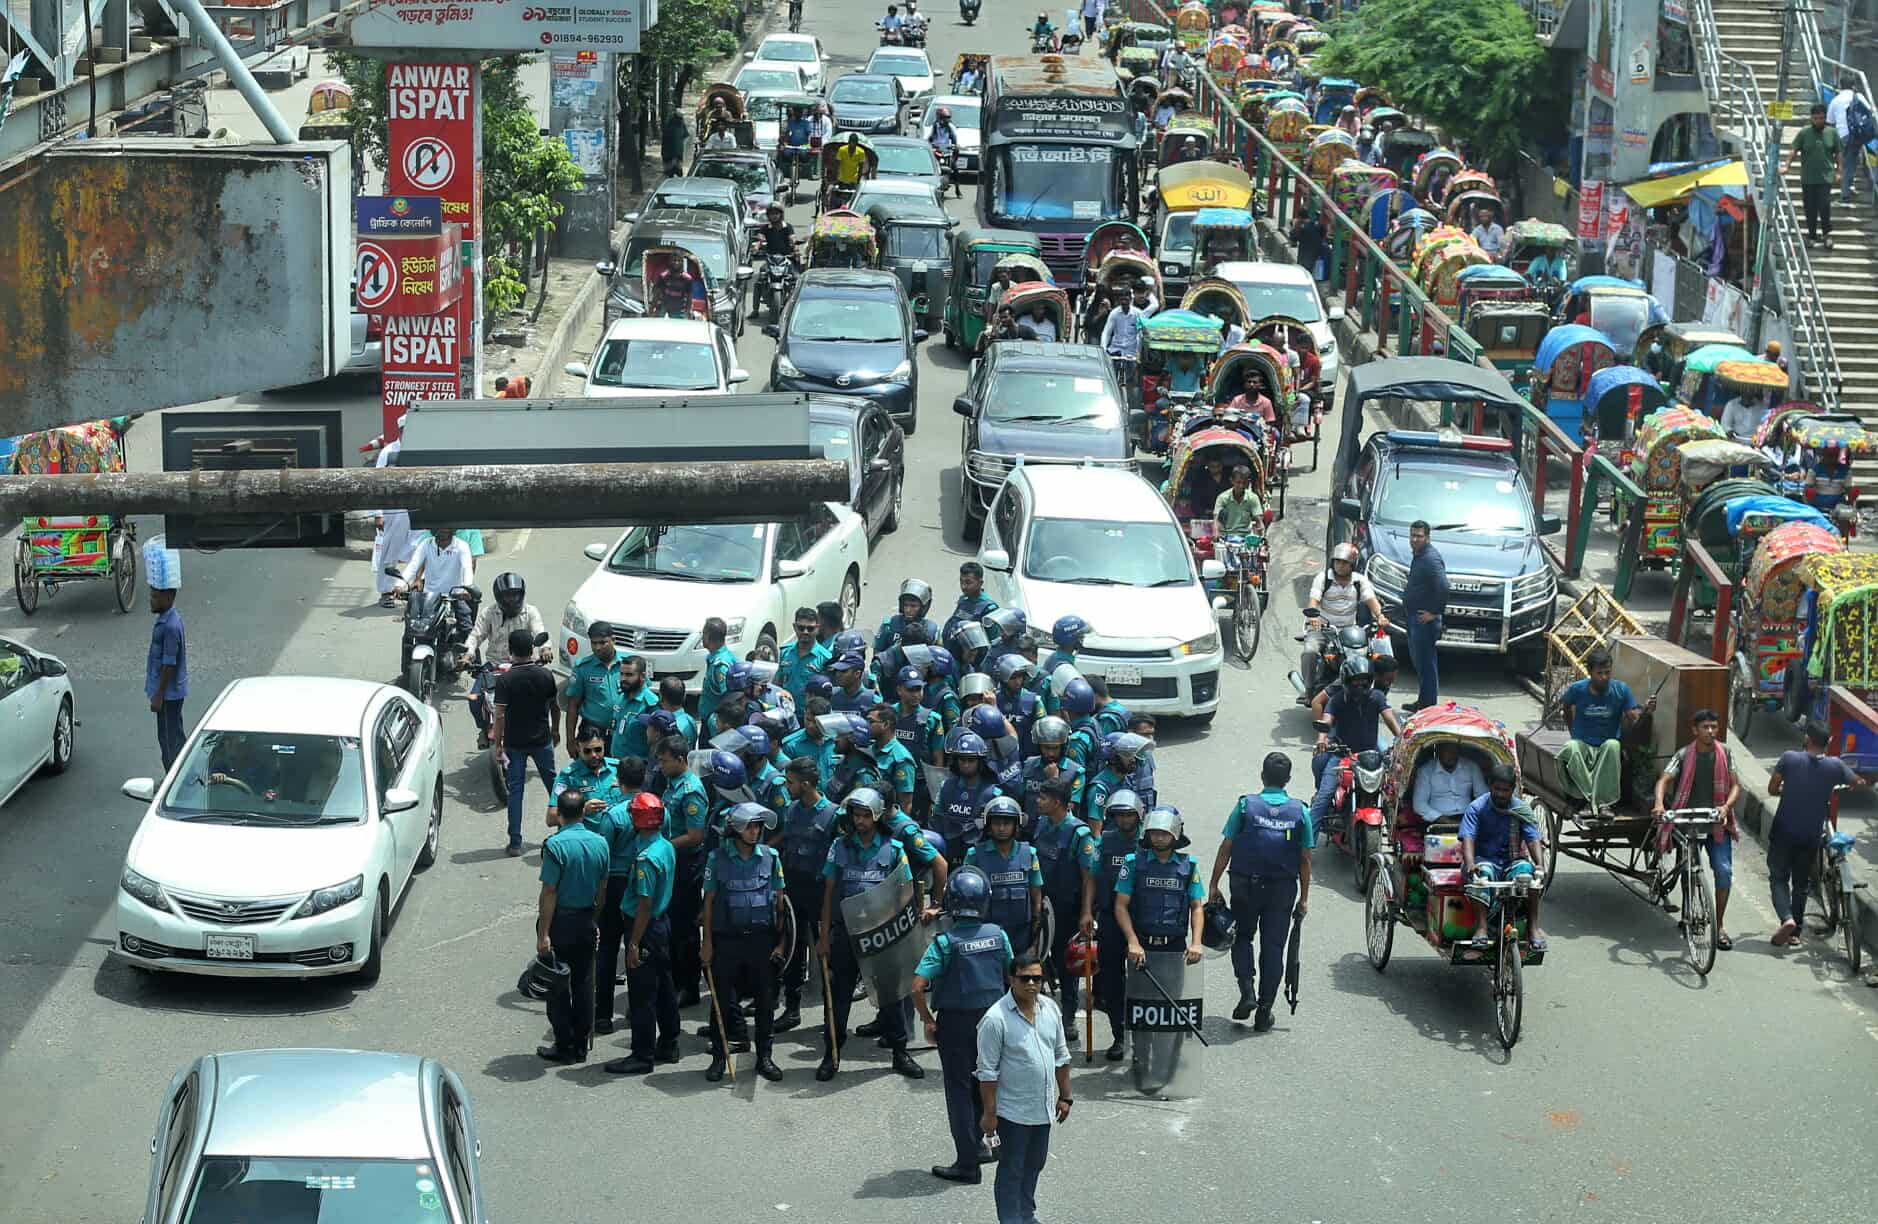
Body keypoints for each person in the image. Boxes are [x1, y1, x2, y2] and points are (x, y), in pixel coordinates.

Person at [816, 787, 927, 1081]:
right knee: (838, 996)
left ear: (877, 816)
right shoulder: (839, 847)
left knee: (890, 996)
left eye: (866, 815)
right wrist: (824, 936)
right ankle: (831, 1054)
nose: (860, 821)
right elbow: (828, 892)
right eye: (856, 815)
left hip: (882, 936)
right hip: (846, 934)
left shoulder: (894, 849)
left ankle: (899, 1052)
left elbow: (905, 894)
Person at [914, 866, 1014, 1185]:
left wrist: (928, 1020)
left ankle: (967, 1164)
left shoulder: (945, 943)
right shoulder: (998, 935)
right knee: (989, 1083)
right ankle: (991, 1145)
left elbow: (917, 986)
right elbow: (1013, 975)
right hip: (994, 1021)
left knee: (959, 1092)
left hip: (956, 1025)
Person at [1208, 752, 1311, 1031]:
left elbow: (1226, 847)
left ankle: (1247, 992)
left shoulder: (1245, 806)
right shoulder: (1300, 811)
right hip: (1282, 889)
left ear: (1262, 776)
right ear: (1288, 779)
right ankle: (1264, 1010)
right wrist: (1303, 899)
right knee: (1274, 947)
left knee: (1242, 937)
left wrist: (1214, 884)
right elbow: (1305, 859)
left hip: (1245, 885)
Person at [975, 953, 1072, 1224]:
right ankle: (1010, 1219)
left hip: (1042, 1110)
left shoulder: (1050, 1009)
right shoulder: (995, 1019)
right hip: (1011, 1114)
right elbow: (987, 1073)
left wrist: (1066, 1096)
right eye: (1025, 978)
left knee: (1034, 1165)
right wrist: (989, 1115)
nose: (1031, 983)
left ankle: (1026, 1215)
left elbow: (1061, 1055)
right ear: (1011, 979)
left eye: (1037, 978)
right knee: (1012, 1170)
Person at [700, 803, 787, 1082]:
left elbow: (780, 903)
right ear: (736, 829)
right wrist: (707, 943)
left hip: (761, 941)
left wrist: (781, 944)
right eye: (750, 826)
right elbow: (709, 902)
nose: (756, 831)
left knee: (765, 1002)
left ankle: (765, 1057)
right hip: (727, 942)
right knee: (722, 1000)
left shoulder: (771, 858)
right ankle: (719, 1057)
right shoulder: (717, 859)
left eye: (759, 826)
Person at [1767, 720, 1872, 946]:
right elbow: (1857, 781)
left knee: (1778, 877)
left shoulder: (1789, 759)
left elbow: (1772, 788)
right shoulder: (1835, 766)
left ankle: (1786, 918)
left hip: (1783, 831)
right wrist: (1856, 783)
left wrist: (1787, 789)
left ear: (1807, 738)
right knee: (1801, 883)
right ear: (1828, 741)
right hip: (1811, 835)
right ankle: (1795, 932)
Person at [604, 793, 683, 1075]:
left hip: (644, 927)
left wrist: (634, 943)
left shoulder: (646, 860)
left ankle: (642, 1054)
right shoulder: (665, 846)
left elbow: (644, 903)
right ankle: (669, 1042)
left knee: (642, 995)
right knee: (664, 987)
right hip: (660, 925)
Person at [1650, 708, 1741, 950]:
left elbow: (1735, 786)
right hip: (1688, 824)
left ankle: (1719, 926)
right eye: (1705, 727)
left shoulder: (1726, 753)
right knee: (1688, 871)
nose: (1710, 731)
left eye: (1714, 727)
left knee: (1724, 871)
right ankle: (1687, 914)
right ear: (1695, 730)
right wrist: (1659, 803)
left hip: (1716, 823)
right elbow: (1664, 780)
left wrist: (1726, 807)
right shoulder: (1683, 755)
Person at [534, 789, 610, 1063]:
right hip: (586, 919)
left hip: (561, 923)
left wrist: (543, 934)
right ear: (582, 813)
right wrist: (594, 919)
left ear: (561, 815)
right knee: (584, 983)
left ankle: (563, 1044)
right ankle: (581, 1045)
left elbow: (550, 891)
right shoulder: (601, 843)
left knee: (557, 986)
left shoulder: (555, 846)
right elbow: (602, 889)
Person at [771, 757, 837, 1031]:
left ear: (806, 784)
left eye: (791, 782)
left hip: (820, 892)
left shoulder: (832, 815)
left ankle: (832, 1014)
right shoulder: (792, 809)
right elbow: (786, 841)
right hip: (794, 888)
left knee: (826, 954)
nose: (787, 787)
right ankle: (792, 1008)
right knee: (793, 951)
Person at [1551, 647, 1654, 813]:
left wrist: (1646, 710)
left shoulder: (1621, 690)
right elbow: (1566, 708)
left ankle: (1603, 803)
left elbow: (1634, 717)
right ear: (1590, 672)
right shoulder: (1577, 689)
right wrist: (1573, 731)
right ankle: (1590, 798)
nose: (1604, 677)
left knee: (1613, 745)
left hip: (1607, 747)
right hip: (1583, 744)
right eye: (1599, 673)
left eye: (1607, 672)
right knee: (1571, 747)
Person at [1310, 655, 1402, 834]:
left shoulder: (1377, 697)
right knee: (1324, 797)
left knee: (1394, 793)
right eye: (1356, 680)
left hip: (1370, 757)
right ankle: (1308, 844)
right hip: (1342, 757)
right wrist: (1322, 739)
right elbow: (1326, 721)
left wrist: (1402, 739)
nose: (1360, 685)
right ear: (1346, 680)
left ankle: (1399, 839)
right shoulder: (1337, 700)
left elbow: (1390, 719)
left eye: (1364, 680)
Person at [1459, 765, 1546, 947]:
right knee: (1482, 872)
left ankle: (1533, 926)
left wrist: (1539, 864)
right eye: (1497, 789)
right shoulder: (1477, 808)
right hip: (1484, 860)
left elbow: (1532, 839)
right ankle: (1481, 927)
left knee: (1529, 875)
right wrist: (1470, 863)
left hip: (1511, 861)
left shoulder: (1521, 809)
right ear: (1490, 786)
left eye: (1505, 790)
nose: (1500, 794)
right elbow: (1468, 838)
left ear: (1512, 790)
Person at [492, 629, 561, 857]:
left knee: (515, 791)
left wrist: (498, 744)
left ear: (510, 650)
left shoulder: (505, 680)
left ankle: (515, 843)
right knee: (554, 785)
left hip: (514, 744)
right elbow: (554, 707)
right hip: (542, 740)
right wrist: (555, 730)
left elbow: (499, 715)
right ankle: (566, 828)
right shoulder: (545, 675)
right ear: (532, 649)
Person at [591, 757, 647, 1035]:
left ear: (619, 781)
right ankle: (638, 1010)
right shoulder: (656, 809)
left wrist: (598, 898)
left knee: (608, 948)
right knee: (637, 947)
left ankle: (602, 1015)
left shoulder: (613, 816)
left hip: (615, 883)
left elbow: (603, 857)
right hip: (643, 883)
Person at [653, 734, 710, 1006]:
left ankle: (688, 986)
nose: (660, 765)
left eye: (664, 761)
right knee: (671, 925)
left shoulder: (691, 791)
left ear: (680, 759)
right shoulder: (672, 783)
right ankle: (674, 980)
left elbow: (695, 836)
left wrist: (663, 846)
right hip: (673, 862)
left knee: (684, 928)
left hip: (686, 866)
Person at [464, 572, 549, 748]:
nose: (511, 600)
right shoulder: (489, 613)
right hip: (494, 665)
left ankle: (542, 727)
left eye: (515, 595)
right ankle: (483, 728)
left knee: (543, 695)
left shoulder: (530, 612)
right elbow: (475, 636)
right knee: (474, 698)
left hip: (524, 664)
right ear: (498, 597)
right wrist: (467, 655)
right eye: (507, 596)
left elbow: (539, 632)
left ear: (521, 594)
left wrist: (545, 649)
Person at [1086, 790, 1141, 1059]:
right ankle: (1119, 1035)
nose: (1123, 820)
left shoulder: (1150, 840)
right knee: (1111, 980)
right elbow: (1092, 877)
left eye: (1128, 815)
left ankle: (1143, 1036)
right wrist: (1087, 911)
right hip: (1109, 917)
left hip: (1141, 921)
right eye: (1118, 815)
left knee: (1143, 981)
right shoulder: (1104, 842)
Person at [144, 542, 188, 770]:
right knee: (172, 736)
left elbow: (169, 664)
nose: (151, 599)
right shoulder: (168, 620)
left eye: (155, 596)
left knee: (170, 742)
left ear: (168, 597)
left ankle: (173, 779)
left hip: (168, 695)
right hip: (168, 693)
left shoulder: (170, 627)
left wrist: (159, 696)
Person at [395, 525, 474, 644]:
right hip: (429, 598)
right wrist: (400, 585)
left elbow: (466, 568)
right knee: (410, 632)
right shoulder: (426, 544)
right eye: (440, 527)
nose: (443, 530)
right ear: (434, 530)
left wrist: (467, 588)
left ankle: (473, 655)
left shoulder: (461, 546)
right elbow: (413, 565)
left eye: (446, 528)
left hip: (454, 596)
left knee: (467, 630)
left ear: (452, 530)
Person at [1401, 520, 1447, 713]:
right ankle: (1423, 701)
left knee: (1426, 664)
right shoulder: (1419, 555)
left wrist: (1434, 612)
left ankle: (1428, 706)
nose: (1415, 539)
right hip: (1414, 618)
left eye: (1419, 536)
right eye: (1412, 535)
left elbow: (1443, 586)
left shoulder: (1430, 558)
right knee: (1420, 663)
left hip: (1423, 621)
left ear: (1427, 538)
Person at [1785, 103, 1842, 249]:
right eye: (1816, 118)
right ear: (1811, 118)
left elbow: (1838, 153)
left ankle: (1827, 234)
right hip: (1808, 178)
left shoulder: (1832, 133)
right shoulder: (1804, 133)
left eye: (1821, 118)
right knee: (1810, 207)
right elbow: (1793, 150)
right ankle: (1811, 236)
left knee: (1824, 205)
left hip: (1826, 177)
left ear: (1825, 118)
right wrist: (1787, 165)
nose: (1819, 121)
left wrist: (1839, 172)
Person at [565, 622, 623, 752]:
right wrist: (570, 740)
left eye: (602, 643)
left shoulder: (628, 665)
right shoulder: (583, 668)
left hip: (622, 733)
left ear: (613, 640)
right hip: (593, 732)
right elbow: (573, 705)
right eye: (594, 643)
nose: (597, 648)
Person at [1410, 741, 1487, 827]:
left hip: (1468, 816)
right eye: (1447, 751)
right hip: (1438, 819)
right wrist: (1446, 821)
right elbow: (1419, 804)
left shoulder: (1471, 766)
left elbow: (1483, 796)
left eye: (1455, 750)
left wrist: (1474, 816)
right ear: (1438, 751)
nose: (1452, 755)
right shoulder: (1425, 771)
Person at [1826, 79, 1876, 201]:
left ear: (1841, 86)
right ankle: (1846, 193)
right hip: (1857, 134)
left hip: (1842, 135)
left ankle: (1846, 191)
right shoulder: (1858, 96)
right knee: (1851, 162)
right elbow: (1870, 110)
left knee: (1847, 162)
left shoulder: (1835, 100)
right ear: (1853, 86)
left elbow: (1830, 121)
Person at [696, 616, 736, 739]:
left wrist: (719, 726)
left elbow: (729, 699)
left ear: (708, 636)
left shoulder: (721, 666)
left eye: (703, 634)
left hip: (714, 726)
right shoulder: (721, 657)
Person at [1213, 464, 1263, 539]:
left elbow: (1259, 521)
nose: (1241, 486)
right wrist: (1216, 534)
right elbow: (1216, 521)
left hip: (1245, 538)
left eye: (1244, 483)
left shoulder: (1253, 498)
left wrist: (1260, 529)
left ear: (1248, 482)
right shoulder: (1222, 498)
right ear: (1232, 481)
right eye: (1238, 482)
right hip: (1225, 537)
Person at [754, 203, 798, 269]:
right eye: (771, 214)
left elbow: (793, 238)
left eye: (776, 213)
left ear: (781, 214)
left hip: (786, 258)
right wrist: (756, 247)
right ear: (768, 215)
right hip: (771, 259)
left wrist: (795, 247)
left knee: (795, 273)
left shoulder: (788, 227)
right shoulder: (765, 228)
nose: (774, 216)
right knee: (762, 271)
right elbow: (760, 238)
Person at [1290, 209, 1327, 282]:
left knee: (1303, 280)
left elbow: (1293, 239)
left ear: (1299, 218)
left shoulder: (1302, 229)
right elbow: (1323, 233)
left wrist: (1294, 226)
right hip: (1318, 259)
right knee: (1317, 282)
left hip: (1305, 261)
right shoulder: (1318, 227)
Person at [661, 107, 688, 176]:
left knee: (675, 171)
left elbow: (685, 135)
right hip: (671, 152)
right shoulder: (672, 125)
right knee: (672, 172)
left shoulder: (678, 124)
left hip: (675, 152)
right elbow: (685, 135)